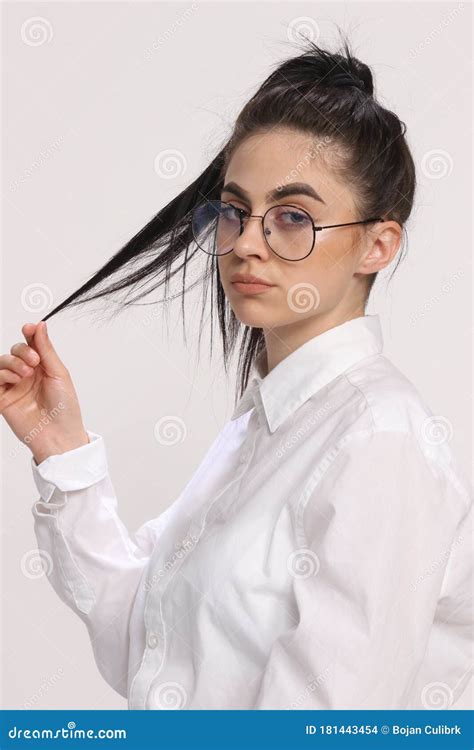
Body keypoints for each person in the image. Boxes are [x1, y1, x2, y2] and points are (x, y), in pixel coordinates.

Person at [1, 33, 472, 710]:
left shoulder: (378, 442)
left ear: (378, 243)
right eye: (233, 210)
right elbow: (146, 644)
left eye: (293, 217)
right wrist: (62, 451)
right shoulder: (267, 424)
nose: (247, 243)